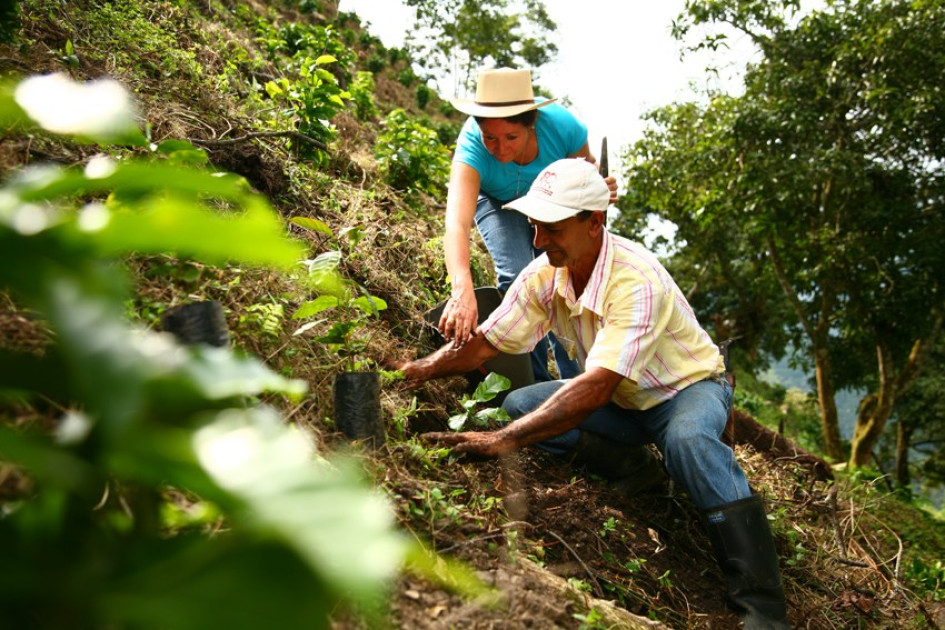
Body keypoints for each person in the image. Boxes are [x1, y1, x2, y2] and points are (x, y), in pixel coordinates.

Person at [392, 159, 790, 629]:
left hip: (684, 390)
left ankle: (762, 603)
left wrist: (503, 440)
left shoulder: (636, 281)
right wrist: (419, 371)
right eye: (535, 226)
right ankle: (635, 467)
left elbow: (598, 384)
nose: (539, 240)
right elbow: (487, 342)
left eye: (552, 228)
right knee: (520, 405)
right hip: (623, 401)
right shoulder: (546, 274)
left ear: (594, 222)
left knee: (688, 441)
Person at [439, 67, 616, 383]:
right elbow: (457, 223)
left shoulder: (564, 128)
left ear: (532, 124)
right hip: (498, 203)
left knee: (566, 277)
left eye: (511, 137)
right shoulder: (471, 146)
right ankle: (535, 382)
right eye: (490, 138)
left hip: (552, 203)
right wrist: (461, 290)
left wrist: (599, 189)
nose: (500, 149)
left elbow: (584, 175)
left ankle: (576, 381)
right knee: (516, 275)